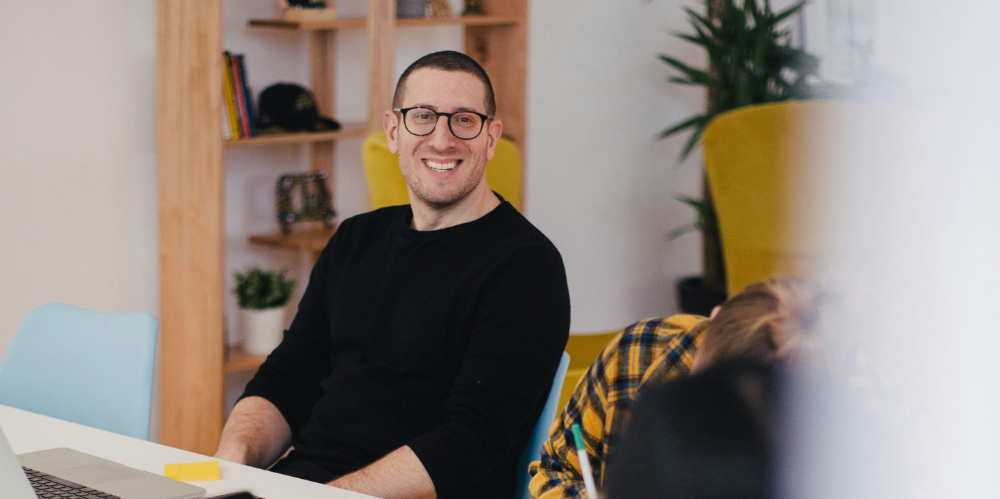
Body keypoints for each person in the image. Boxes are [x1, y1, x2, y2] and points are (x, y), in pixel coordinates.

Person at [214, 51, 571, 499]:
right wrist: (229, 469)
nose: (442, 140)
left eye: (464, 119)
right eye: (422, 116)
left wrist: (323, 496)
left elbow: (472, 441)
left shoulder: (525, 266)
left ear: (491, 137)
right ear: (393, 131)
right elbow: (288, 378)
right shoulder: (354, 239)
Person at [527, 276, 822, 499]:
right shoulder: (641, 352)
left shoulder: (826, 448)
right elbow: (553, 469)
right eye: (700, 385)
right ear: (714, 317)